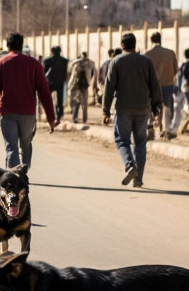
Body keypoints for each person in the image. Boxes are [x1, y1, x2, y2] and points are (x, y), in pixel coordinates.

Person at [0, 32, 57, 169]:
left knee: (11, 147)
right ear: (21, 45)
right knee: (26, 145)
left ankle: (14, 177)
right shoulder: (33, 64)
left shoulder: (0, 64)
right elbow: (44, 92)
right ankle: (23, 174)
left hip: (7, 113)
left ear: (7, 46)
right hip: (28, 113)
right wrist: (51, 118)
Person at [102, 32, 162, 188]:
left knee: (122, 140)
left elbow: (109, 88)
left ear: (122, 46)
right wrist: (156, 106)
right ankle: (138, 179)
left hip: (123, 109)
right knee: (141, 143)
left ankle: (130, 166)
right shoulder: (146, 61)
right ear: (135, 44)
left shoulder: (116, 62)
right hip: (143, 109)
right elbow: (154, 85)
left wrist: (105, 110)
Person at [145, 32, 179, 138]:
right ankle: (167, 129)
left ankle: (150, 127)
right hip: (168, 85)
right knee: (167, 107)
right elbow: (176, 70)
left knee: (150, 107)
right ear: (160, 40)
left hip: (152, 86)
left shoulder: (147, 54)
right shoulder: (170, 53)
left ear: (151, 41)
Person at [169, 48, 189, 136]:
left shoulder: (184, 65)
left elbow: (179, 78)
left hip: (186, 87)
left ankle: (186, 122)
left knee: (185, 106)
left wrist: (177, 89)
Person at [66, 50, 97, 124]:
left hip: (76, 85)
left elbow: (71, 73)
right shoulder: (91, 63)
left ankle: (75, 117)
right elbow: (92, 74)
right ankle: (84, 119)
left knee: (76, 102)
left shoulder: (75, 63)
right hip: (85, 85)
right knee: (84, 103)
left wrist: (69, 86)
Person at [42, 46, 69, 122]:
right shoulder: (64, 61)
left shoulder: (47, 60)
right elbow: (65, 73)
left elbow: (44, 73)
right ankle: (60, 114)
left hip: (50, 83)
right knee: (60, 100)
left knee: (48, 100)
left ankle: (50, 114)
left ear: (52, 52)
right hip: (60, 82)